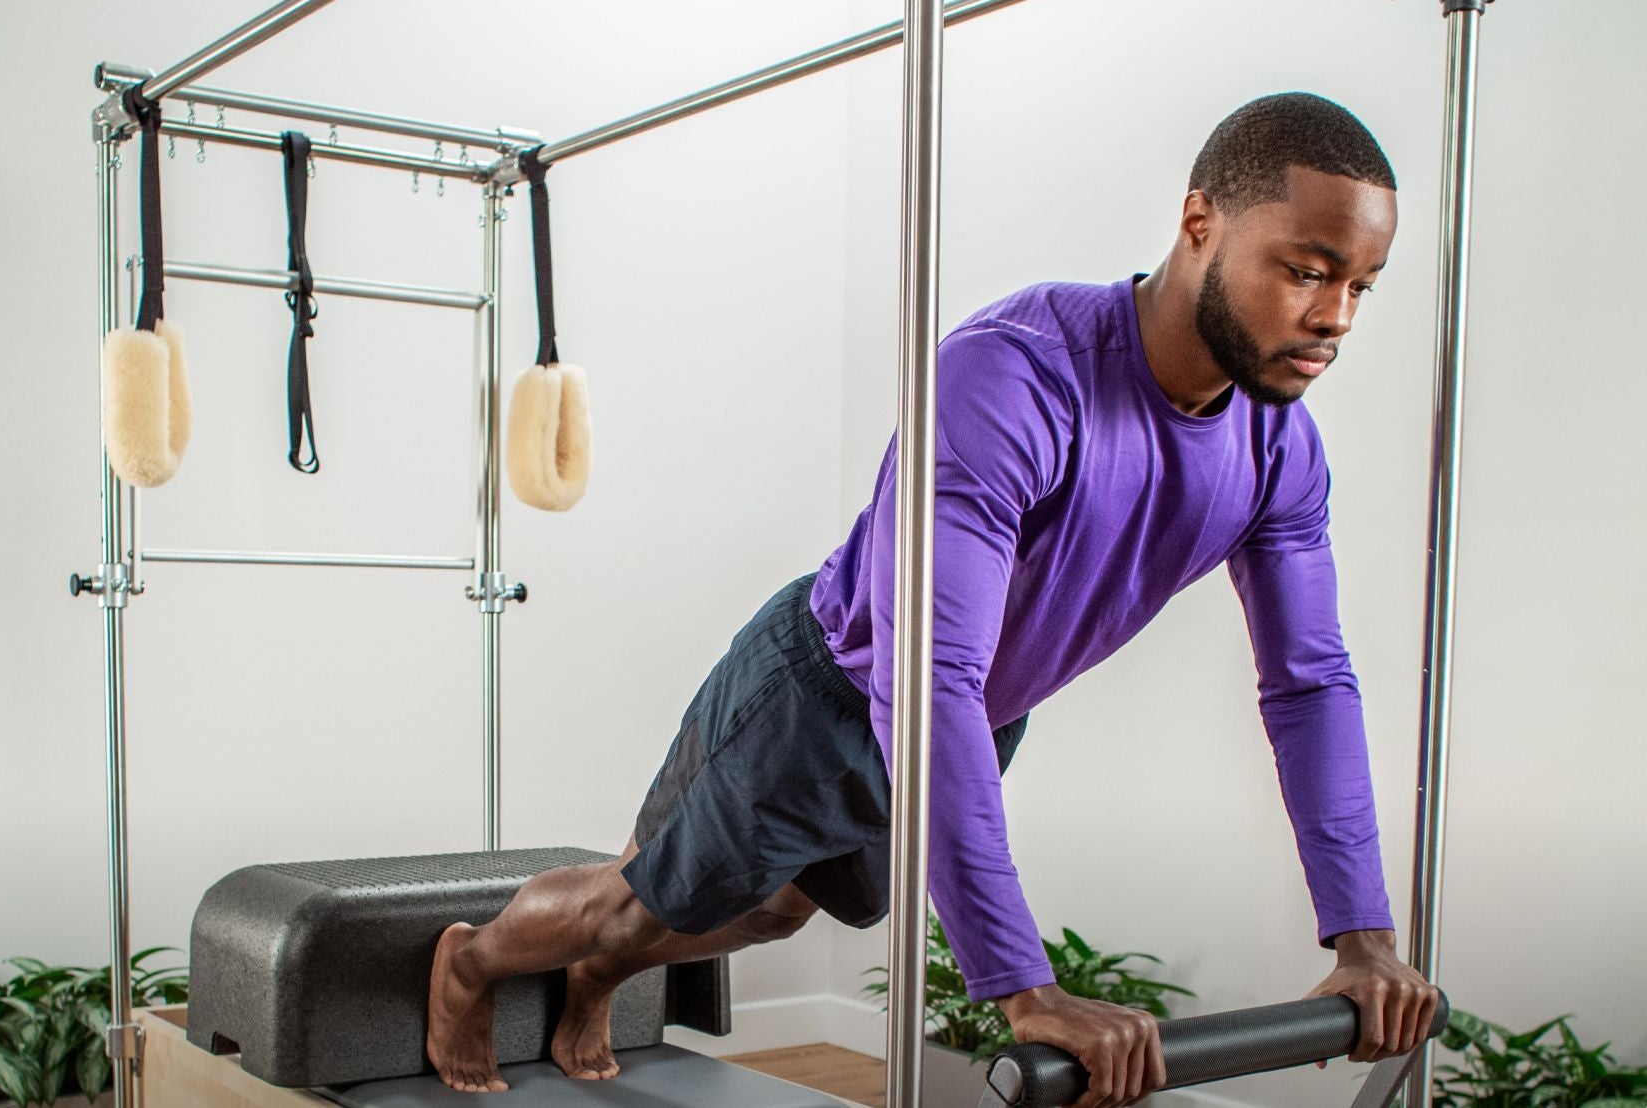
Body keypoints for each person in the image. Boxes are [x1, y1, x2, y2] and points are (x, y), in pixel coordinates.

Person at [425, 92, 1443, 1108]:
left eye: (1361, 284)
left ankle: (600, 973)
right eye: (1307, 271)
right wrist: (1022, 986)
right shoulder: (1015, 380)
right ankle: (477, 961)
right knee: (634, 909)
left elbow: (1309, 683)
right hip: (829, 690)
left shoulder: (1278, 449)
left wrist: (1363, 936)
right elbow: (929, 675)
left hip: (975, 716)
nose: (1334, 318)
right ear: (1198, 224)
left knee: (782, 911)